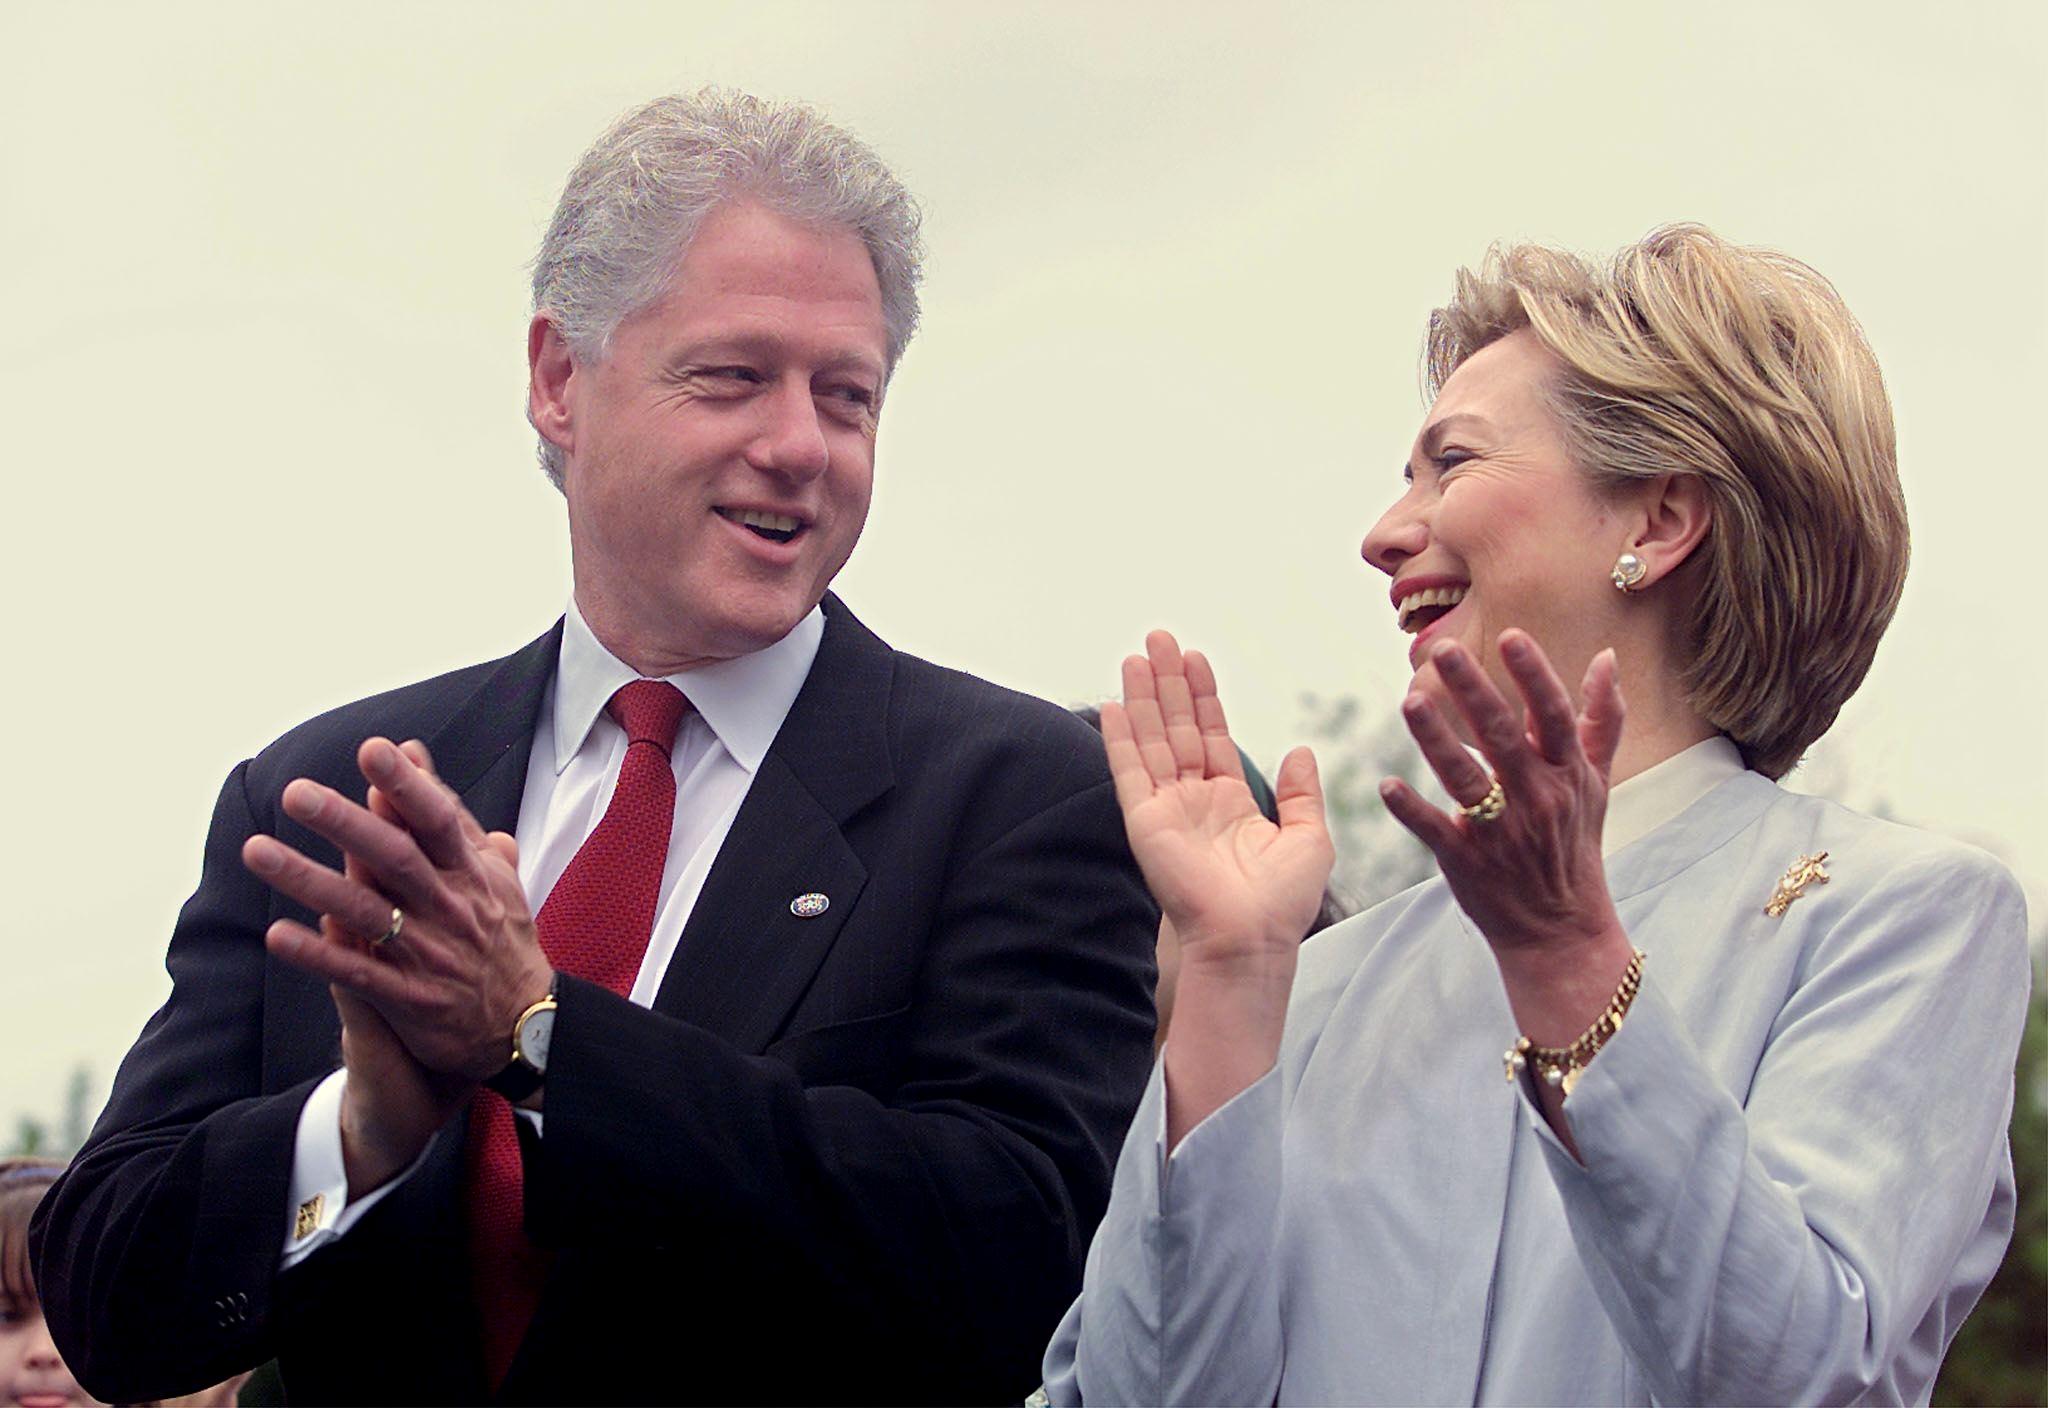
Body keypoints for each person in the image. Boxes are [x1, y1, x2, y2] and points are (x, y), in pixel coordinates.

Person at [34, 90, 1157, 1405]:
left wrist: (546, 1040)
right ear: (561, 380)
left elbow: (1022, 1264)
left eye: (845, 395)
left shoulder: (1019, 798)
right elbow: (108, 1299)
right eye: (732, 376)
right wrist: (360, 1133)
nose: (800, 445)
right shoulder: (336, 796)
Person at [1045, 225, 2031, 1404]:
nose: (1381, 533)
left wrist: (1568, 959)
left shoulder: (1902, 917)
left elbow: (1794, 1376)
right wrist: (1225, 975)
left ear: (1657, 522)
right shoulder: (1315, 979)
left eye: (1449, 463)